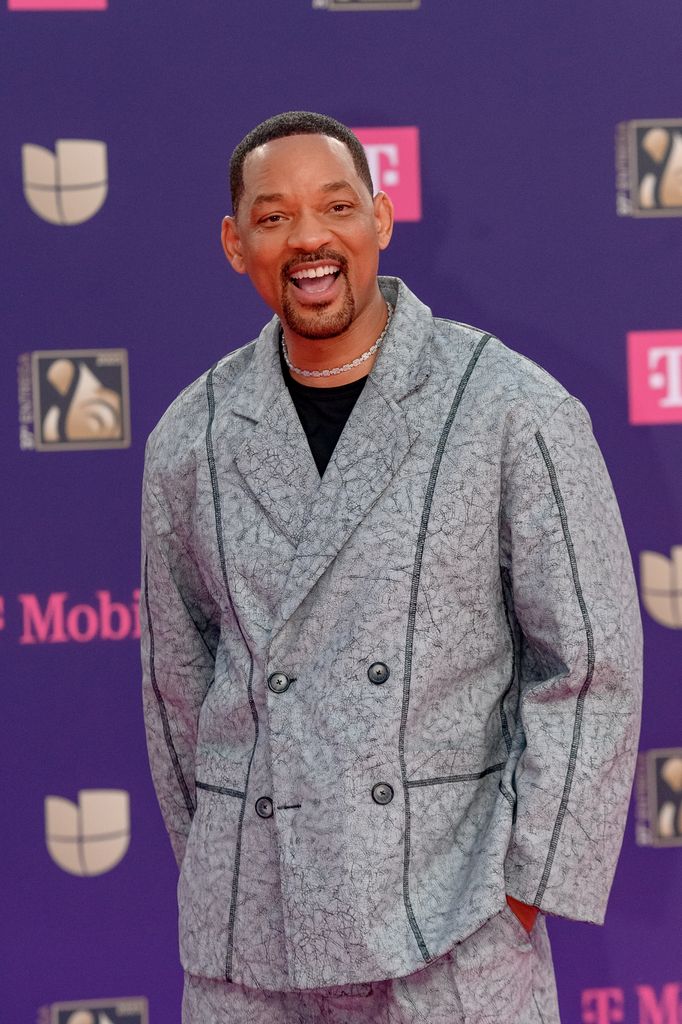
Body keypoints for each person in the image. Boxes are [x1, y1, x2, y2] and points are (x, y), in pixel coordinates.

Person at [140, 111, 643, 1024]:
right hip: (248, 950)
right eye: (273, 216)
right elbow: (178, 687)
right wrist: (230, 864)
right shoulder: (192, 436)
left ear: (380, 216)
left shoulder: (508, 407)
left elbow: (592, 665)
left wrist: (521, 894)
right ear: (234, 242)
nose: (308, 239)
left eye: (335, 206)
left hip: (451, 935)